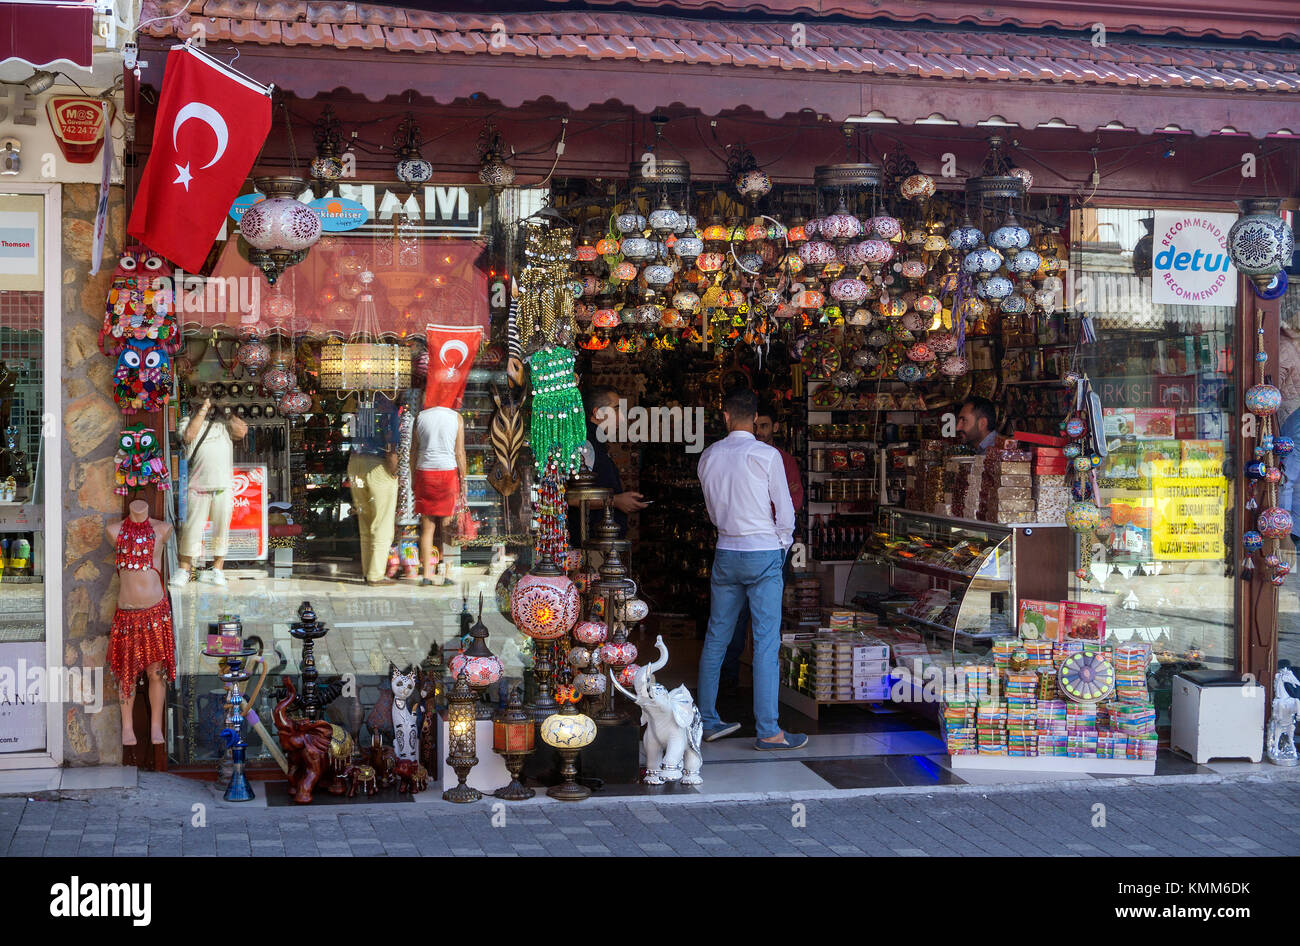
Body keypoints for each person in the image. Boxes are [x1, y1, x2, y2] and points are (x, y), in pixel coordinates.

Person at [696, 388, 805, 750]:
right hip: (763, 552)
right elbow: (785, 511)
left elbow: (712, 511)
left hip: (726, 550)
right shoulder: (766, 454)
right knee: (765, 642)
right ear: (756, 419)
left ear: (725, 416)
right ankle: (769, 730)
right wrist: (781, 546)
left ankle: (708, 721)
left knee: (717, 638)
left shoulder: (709, 456)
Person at [719, 405, 804, 693]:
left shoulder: (781, 459)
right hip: (755, 545)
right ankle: (731, 679)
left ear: (773, 428)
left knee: (762, 627)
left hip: (764, 546)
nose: (762, 431)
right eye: (760, 425)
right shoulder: (738, 456)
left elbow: (792, 501)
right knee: (739, 620)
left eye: (767, 426)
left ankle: (763, 687)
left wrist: (780, 542)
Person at [107, 500, 175, 759]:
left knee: (156, 672)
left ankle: (156, 725)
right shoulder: (114, 531)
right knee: (127, 673)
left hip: (155, 612)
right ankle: (127, 726)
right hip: (126, 614)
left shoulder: (162, 530)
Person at [172, 397, 247, 586]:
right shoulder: (186, 421)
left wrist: (227, 411)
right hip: (198, 487)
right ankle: (184, 570)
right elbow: (189, 435)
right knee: (192, 529)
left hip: (223, 486)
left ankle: (217, 569)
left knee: (221, 530)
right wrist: (204, 408)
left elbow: (242, 432)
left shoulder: (224, 425)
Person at [568, 385, 646, 545]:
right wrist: (616, 501)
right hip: (589, 547)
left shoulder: (596, 443)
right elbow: (572, 498)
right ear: (597, 413)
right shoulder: (586, 445)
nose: (622, 418)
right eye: (616, 409)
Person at [347, 395, 402, 586]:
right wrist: (394, 471)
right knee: (382, 522)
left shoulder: (363, 406)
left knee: (365, 520)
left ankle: (368, 570)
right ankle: (375, 575)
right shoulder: (389, 409)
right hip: (378, 466)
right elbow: (391, 443)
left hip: (355, 462)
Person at [411, 400, 466, 586]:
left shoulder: (420, 417)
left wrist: (412, 477)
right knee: (447, 528)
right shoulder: (456, 418)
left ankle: (427, 574)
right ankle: (448, 573)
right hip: (447, 474)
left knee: (427, 528)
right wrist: (463, 479)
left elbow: (414, 451)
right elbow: (459, 453)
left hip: (424, 473)